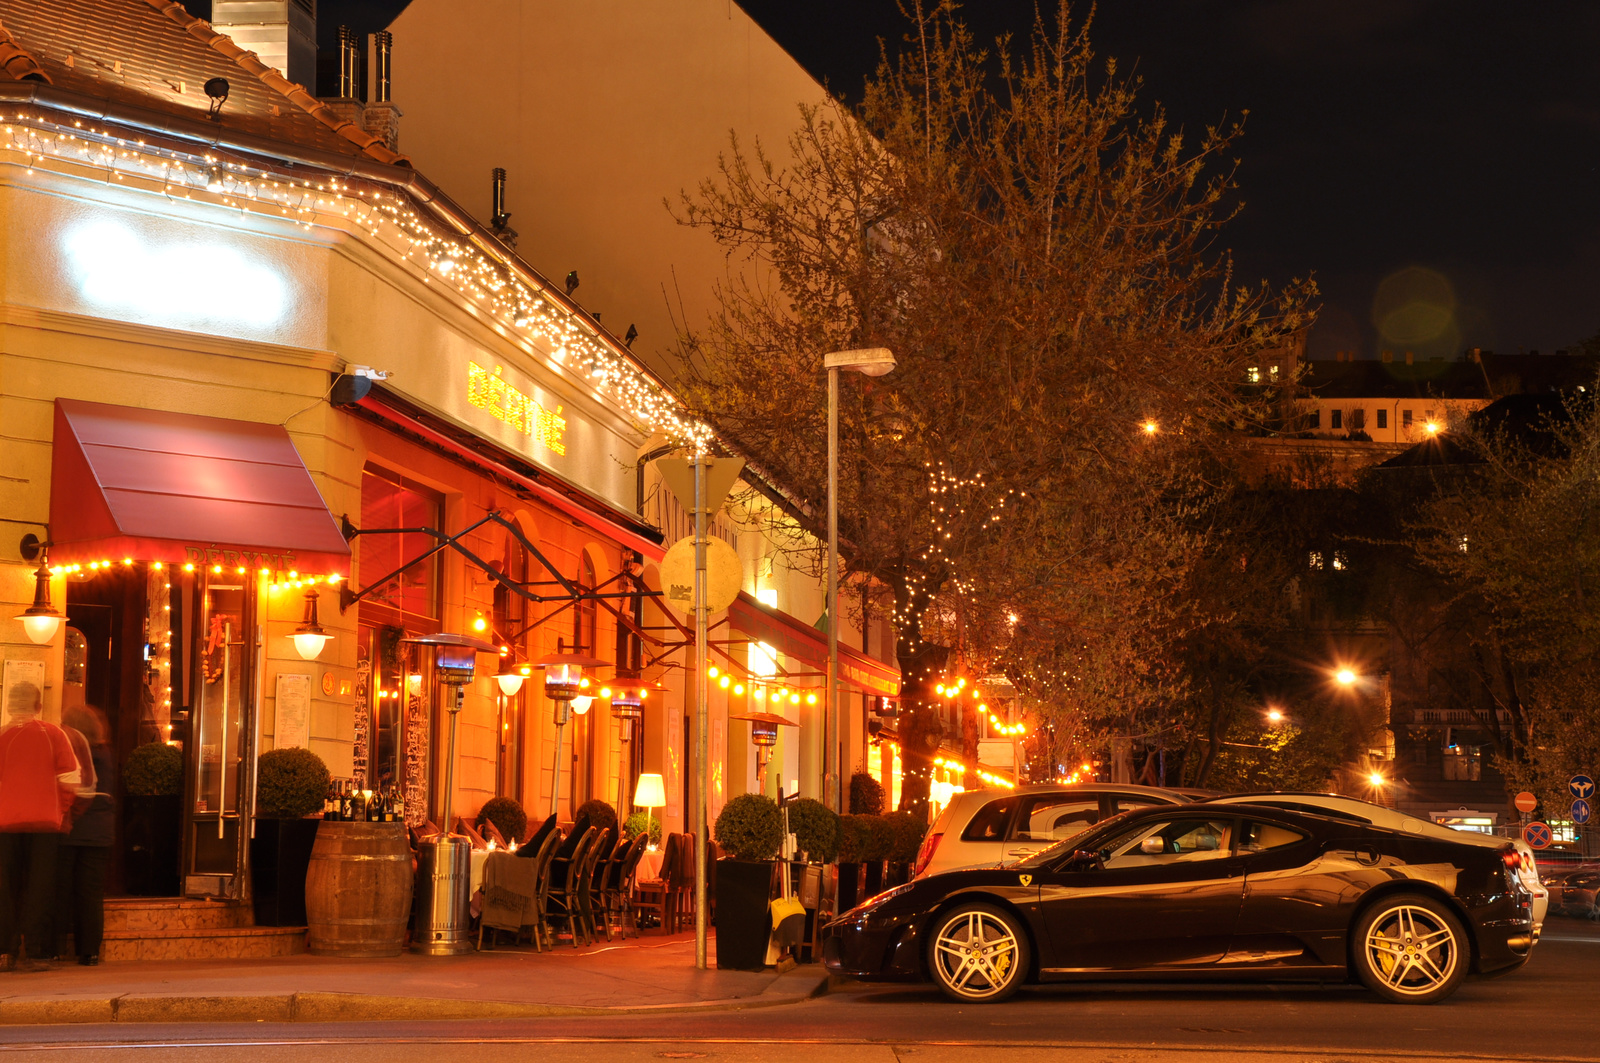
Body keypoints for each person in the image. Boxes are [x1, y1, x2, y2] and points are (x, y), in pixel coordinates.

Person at [0, 682, 81, 971]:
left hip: (5, 822)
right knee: (40, 888)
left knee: (4, 888)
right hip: (45, 822)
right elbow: (70, 779)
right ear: (38, 706)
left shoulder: (2, 735)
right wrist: (60, 810)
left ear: (10, 705)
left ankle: (4, 951)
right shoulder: (53, 734)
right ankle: (35, 952)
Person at [53, 706, 114, 966]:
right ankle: (89, 951)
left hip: (72, 827)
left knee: (61, 889)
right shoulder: (105, 752)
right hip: (100, 831)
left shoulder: (73, 750)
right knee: (90, 893)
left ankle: (54, 948)